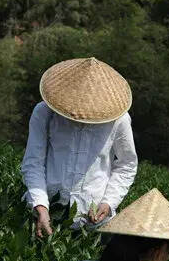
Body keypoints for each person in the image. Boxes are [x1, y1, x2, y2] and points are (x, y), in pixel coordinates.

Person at [21, 57, 138, 238]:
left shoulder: (119, 119)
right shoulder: (44, 112)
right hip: (46, 206)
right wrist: (41, 207)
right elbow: (33, 163)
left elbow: (127, 165)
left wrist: (108, 203)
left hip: (93, 217)